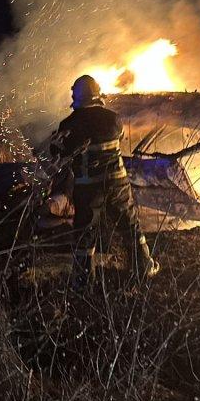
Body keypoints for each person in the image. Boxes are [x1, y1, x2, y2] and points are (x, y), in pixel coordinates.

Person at [49, 75, 158, 282]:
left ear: (76, 96)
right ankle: (144, 267)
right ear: (97, 93)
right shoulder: (113, 119)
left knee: (85, 232)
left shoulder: (69, 124)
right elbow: (118, 137)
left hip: (88, 188)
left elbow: (60, 152)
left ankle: (83, 280)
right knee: (129, 224)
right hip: (118, 184)